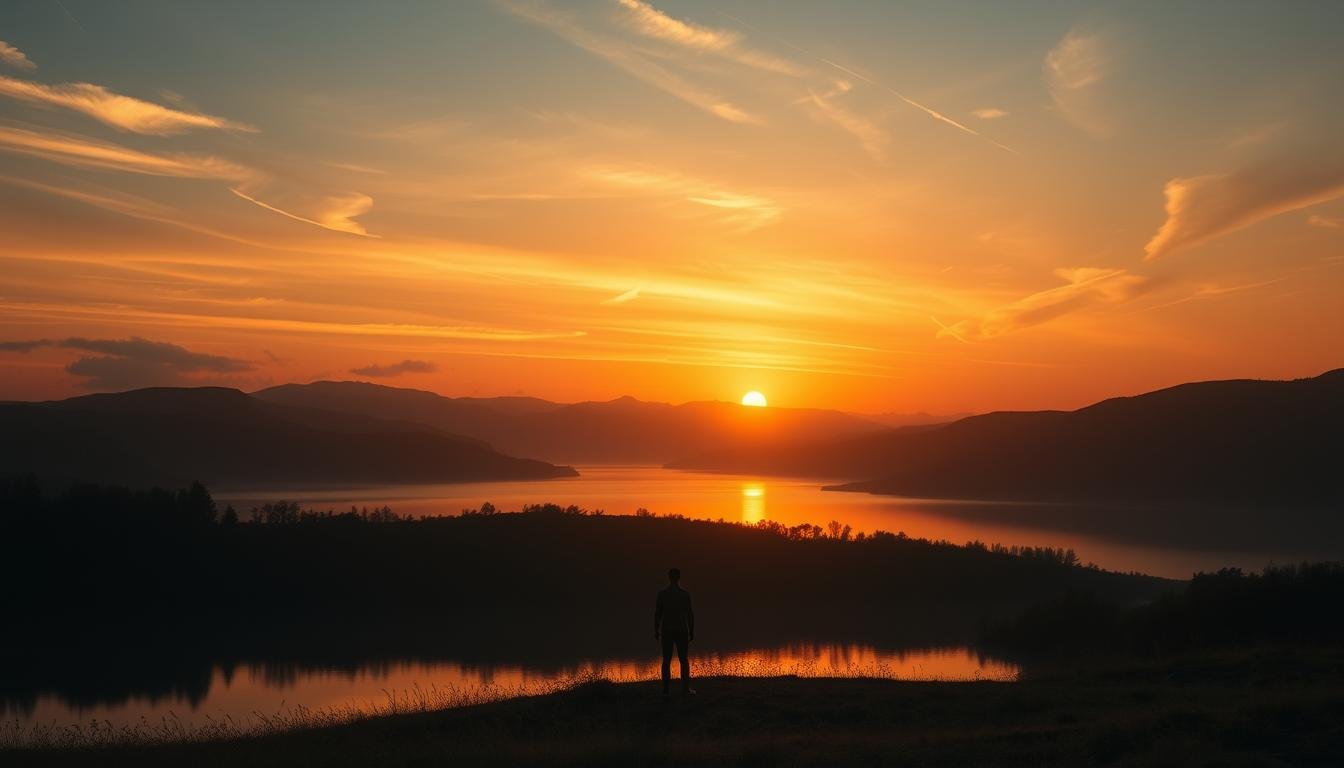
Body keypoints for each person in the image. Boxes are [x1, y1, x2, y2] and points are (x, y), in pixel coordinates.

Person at [654, 567, 695, 695]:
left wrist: (656, 629)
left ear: (669, 577)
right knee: (683, 660)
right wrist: (691, 630)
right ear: (679, 577)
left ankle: (666, 689)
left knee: (666, 660)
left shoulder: (662, 594)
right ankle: (685, 689)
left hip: (667, 630)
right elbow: (689, 614)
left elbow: (658, 614)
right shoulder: (684, 594)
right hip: (682, 629)